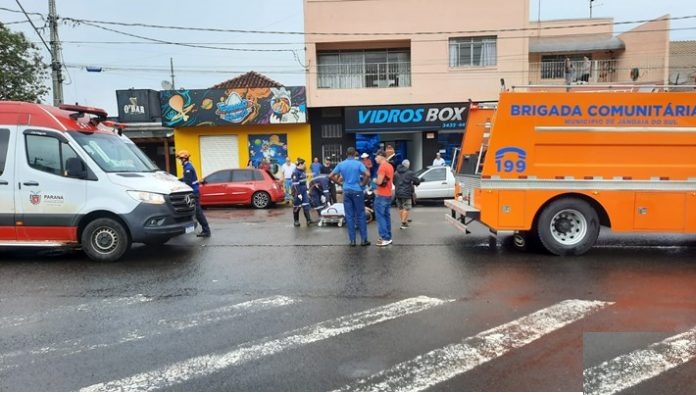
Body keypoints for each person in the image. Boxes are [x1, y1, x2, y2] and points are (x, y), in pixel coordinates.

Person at [330, 147, 371, 247]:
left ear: (346, 154)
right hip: (357, 190)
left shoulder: (341, 164)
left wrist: (340, 183)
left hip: (346, 191)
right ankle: (363, 240)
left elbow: (330, 175)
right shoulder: (358, 164)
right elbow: (368, 174)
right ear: (354, 154)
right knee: (360, 215)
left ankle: (352, 241)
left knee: (349, 216)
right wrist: (362, 184)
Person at [176, 150, 210, 237]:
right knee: (195, 212)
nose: (179, 161)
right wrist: (179, 179)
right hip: (194, 192)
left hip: (193, 193)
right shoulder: (188, 167)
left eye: (180, 159)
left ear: (184, 159)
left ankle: (206, 230)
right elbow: (186, 179)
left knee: (197, 212)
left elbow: (187, 182)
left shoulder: (188, 169)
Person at [374, 149, 394, 246]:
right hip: (388, 194)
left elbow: (379, 181)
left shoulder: (382, 167)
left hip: (381, 195)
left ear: (381, 156)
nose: (375, 158)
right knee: (386, 216)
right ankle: (388, 236)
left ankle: (384, 237)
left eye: (376, 156)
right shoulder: (390, 166)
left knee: (380, 217)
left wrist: (374, 180)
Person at [393, 159, 420, 229]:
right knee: (406, 208)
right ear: (407, 165)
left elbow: (394, 182)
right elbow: (416, 181)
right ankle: (403, 223)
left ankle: (403, 221)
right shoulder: (409, 173)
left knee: (401, 208)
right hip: (406, 193)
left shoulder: (396, 172)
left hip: (398, 193)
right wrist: (417, 182)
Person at [291, 158, 313, 227]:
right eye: (304, 164)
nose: (304, 165)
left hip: (304, 191)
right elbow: (295, 185)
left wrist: (307, 189)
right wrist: (298, 194)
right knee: (297, 207)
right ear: (300, 164)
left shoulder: (303, 171)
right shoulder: (295, 172)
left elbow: (304, 181)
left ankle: (308, 220)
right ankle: (296, 221)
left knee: (306, 205)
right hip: (298, 192)